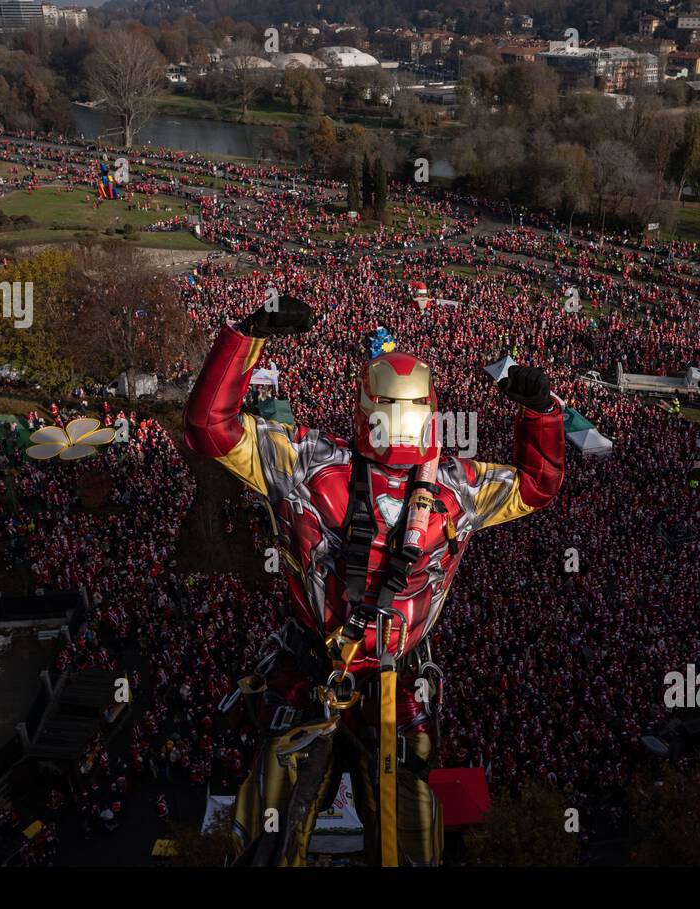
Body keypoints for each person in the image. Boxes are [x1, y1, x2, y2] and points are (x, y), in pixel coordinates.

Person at [183, 295, 565, 866]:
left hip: (324, 672)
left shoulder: (308, 464)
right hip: (371, 677)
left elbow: (209, 426)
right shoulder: (458, 489)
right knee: (399, 838)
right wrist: (542, 412)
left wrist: (245, 335)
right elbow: (539, 485)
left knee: (278, 833)